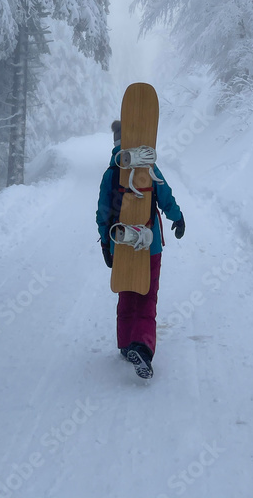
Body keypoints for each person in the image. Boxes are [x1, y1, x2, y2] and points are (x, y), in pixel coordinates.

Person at [96, 119, 185, 379]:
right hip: (151, 244)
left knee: (127, 293)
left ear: (115, 144)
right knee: (147, 294)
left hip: (121, 242)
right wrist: (177, 218)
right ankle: (143, 348)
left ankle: (126, 345)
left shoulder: (110, 173)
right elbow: (165, 194)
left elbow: (103, 212)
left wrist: (105, 242)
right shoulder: (148, 166)